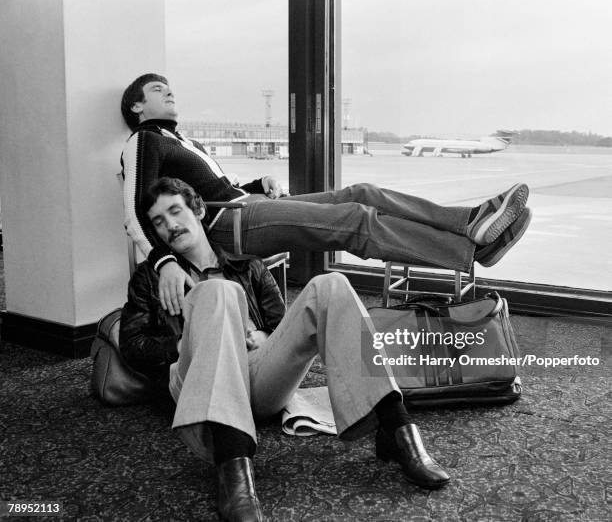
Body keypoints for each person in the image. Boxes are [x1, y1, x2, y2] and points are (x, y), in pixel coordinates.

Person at [121, 177, 519, 522]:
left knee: (330, 284)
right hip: (196, 380)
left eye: (175, 211)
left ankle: (395, 428)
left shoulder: (248, 266)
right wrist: (194, 335)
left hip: (256, 381)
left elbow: (280, 326)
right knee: (217, 292)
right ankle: (232, 464)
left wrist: (263, 337)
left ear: (197, 210)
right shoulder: (152, 277)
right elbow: (135, 347)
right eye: (159, 222)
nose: (170, 225)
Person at [120, 73, 532, 317]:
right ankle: (473, 251)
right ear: (137, 107)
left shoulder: (179, 140)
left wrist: (254, 185)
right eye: (157, 90)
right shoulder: (144, 141)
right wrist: (165, 262)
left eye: (169, 87)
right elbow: (136, 210)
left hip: (248, 205)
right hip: (232, 224)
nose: (169, 92)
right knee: (354, 218)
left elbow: (206, 191)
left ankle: (470, 223)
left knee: (363, 192)